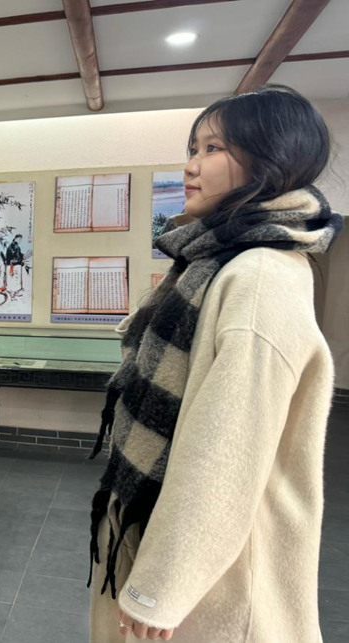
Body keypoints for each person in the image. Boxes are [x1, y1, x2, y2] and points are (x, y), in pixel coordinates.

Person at [87, 85, 343, 643]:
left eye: (212, 148)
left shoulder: (256, 276)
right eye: (192, 148)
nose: (191, 165)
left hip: (214, 589)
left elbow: (226, 452)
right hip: (179, 542)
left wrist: (161, 587)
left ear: (269, 159)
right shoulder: (219, 259)